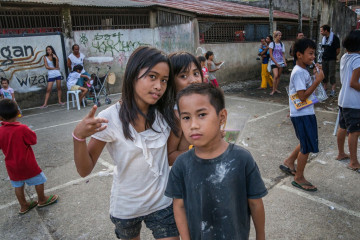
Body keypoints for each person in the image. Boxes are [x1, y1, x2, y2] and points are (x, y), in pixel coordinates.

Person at [72, 46, 180, 240]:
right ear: (132, 75)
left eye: (164, 80)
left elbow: (175, 153)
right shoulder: (110, 118)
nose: (159, 86)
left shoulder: (165, 115)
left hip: (162, 203)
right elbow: (84, 170)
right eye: (152, 77)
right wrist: (78, 137)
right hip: (127, 207)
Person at [165, 83, 267, 239]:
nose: (193, 125)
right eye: (186, 117)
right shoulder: (181, 165)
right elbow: (179, 206)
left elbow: (255, 203)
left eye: (202, 115)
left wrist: (261, 236)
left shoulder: (242, 159)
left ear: (222, 117)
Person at [280, 38, 324, 191]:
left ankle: (290, 161)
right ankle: (299, 177)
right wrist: (317, 81)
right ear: (299, 55)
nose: (313, 57)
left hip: (304, 112)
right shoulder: (298, 73)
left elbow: (299, 94)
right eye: (310, 53)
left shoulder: (303, 71)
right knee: (306, 146)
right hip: (302, 114)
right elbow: (302, 96)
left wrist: (313, 77)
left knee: (306, 140)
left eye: (314, 53)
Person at [0, 99, 59, 215]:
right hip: (27, 163)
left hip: (11, 165)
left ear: (1, 117)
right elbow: (33, 140)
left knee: (18, 185)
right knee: (39, 180)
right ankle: (42, 199)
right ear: (18, 113)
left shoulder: (0, 131)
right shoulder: (22, 128)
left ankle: (23, 206)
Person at [167, 52, 203, 165]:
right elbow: (169, 157)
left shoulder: (200, 106)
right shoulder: (179, 115)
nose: (193, 80)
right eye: (183, 76)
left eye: (196, 73)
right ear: (171, 81)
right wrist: (199, 151)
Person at [336, 30, 360, 173]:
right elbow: (354, 83)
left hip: (343, 99)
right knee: (354, 131)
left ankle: (341, 153)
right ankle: (354, 162)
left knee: (343, 127)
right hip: (353, 102)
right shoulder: (358, 59)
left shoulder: (345, 56)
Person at [320, 24, 340, 97]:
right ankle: (325, 89)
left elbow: (338, 50)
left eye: (322, 31)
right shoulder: (323, 39)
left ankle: (333, 89)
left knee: (332, 74)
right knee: (324, 74)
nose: (321, 32)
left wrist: (333, 56)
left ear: (326, 30)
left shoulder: (334, 38)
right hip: (324, 58)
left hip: (331, 59)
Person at [269, 30, 287, 95]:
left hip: (281, 62)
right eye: (279, 35)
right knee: (275, 75)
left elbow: (283, 54)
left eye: (280, 35)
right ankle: (273, 90)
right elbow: (271, 55)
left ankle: (276, 88)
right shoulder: (272, 44)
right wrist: (276, 62)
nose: (280, 37)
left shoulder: (282, 44)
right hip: (274, 62)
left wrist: (284, 61)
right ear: (275, 36)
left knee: (279, 76)